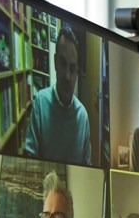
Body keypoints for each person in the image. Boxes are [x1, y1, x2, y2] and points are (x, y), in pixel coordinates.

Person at [23, 23, 91, 164]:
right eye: (62, 63)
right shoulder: (40, 103)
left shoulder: (83, 117)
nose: (67, 76)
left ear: (77, 72)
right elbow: (29, 159)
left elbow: (88, 166)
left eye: (72, 69)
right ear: (54, 62)